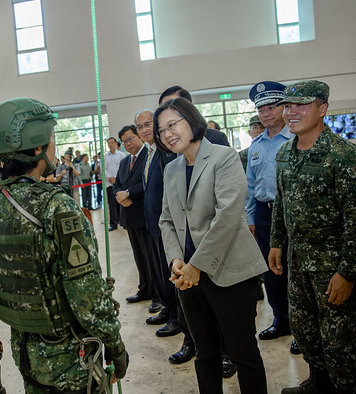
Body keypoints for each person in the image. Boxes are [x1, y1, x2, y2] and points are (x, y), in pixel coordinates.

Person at [0, 97, 128, 393]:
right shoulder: (56, 207)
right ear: (36, 147)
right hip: (70, 356)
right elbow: (86, 296)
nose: (53, 145)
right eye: (50, 138)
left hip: (25, 350)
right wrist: (114, 344)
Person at [156, 97, 267, 394]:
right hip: (188, 277)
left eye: (172, 125)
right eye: (161, 130)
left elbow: (228, 216)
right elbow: (167, 220)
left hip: (229, 271)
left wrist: (196, 265)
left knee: (243, 353)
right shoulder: (172, 169)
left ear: (192, 120)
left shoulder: (224, 156)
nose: (167, 134)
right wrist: (176, 262)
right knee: (205, 353)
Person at [269, 80, 356, 393]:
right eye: (287, 105)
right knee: (305, 328)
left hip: (333, 267)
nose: (292, 112)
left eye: (301, 105)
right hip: (298, 261)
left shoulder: (346, 156)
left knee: (341, 337)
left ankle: (351, 387)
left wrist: (348, 271)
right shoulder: (285, 153)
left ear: (322, 108)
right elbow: (281, 201)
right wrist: (276, 242)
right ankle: (320, 381)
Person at [135, 110, 195, 360]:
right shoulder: (149, 153)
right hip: (156, 224)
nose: (145, 129)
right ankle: (170, 311)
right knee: (163, 273)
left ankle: (179, 320)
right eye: (140, 126)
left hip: (173, 226)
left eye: (149, 124)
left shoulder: (169, 153)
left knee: (178, 279)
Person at [245, 81, 296, 352]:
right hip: (265, 215)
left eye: (271, 106)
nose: (266, 113)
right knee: (271, 270)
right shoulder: (256, 146)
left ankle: (302, 324)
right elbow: (250, 187)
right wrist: (250, 218)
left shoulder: (297, 139)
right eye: (261, 108)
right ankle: (281, 319)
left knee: (295, 270)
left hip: (292, 214)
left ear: (284, 107)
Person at [114, 125, 156, 310]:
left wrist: (128, 193)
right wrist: (120, 196)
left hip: (144, 214)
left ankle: (157, 294)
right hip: (129, 216)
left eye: (131, 139)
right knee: (138, 256)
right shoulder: (124, 162)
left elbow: (147, 183)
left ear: (138, 137)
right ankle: (144, 289)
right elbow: (116, 185)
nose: (128, 144)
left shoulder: (149, 156)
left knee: (150, 257)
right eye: (124, 142)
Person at [159, 85, 230, 146]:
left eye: (172, 106)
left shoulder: (216, 138)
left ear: (189, 107)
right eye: (163, 108)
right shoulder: (166, 145)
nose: (167, 112)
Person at [105, 137, 126, 231]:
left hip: (120, 183)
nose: (110, 144)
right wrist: (110, 177)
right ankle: (113, 224)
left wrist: (117, 178)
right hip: (109, 183)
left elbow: (124, 168)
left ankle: (123, 222)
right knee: (112, 204)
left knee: (122, 203)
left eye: (112, 142)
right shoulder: (105, 157)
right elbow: (103, 169)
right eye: (108, 143)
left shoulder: (122, 155)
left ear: (116, 143)